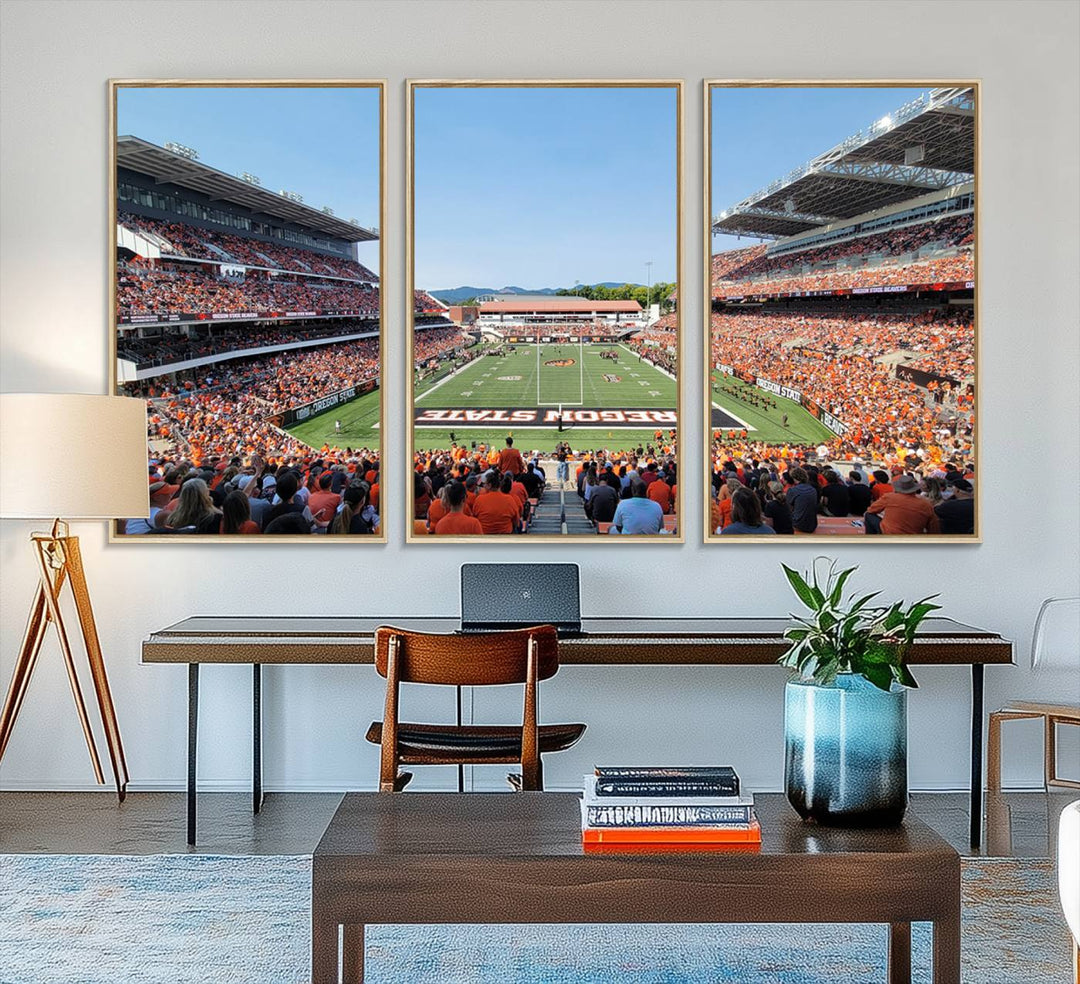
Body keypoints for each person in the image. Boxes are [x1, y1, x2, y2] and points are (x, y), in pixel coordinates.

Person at [865, 474, 941, 534]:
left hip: (889, 533)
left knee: (868, 515)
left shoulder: (889, 497)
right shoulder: (926, 504)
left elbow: (871, 510)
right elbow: (934, 527)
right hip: (914, 535)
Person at [785, 467, 818, 534]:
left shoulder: (793, 490)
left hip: (798, 524)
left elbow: (788, 508)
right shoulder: (812, 489)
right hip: (812, 524)